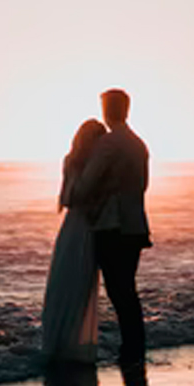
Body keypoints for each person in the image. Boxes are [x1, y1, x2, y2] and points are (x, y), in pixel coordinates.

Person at [73, 88, 151, 366]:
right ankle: (134, 347)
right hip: (136, 225)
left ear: (108, 110)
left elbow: (88, 182)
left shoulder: (109, 144)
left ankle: (131, 350)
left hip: (113, 226)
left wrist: (74, 194)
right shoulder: (138, 143)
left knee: (119, 291)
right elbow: (143, 185)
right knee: (127, 289)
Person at [41, 118, 106, 362]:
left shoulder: (75, 161)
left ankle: (62, 342)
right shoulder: (85, 164)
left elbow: (66, 199)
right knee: (75, 283)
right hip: (84, 227)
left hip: (73, 226)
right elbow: (70, 197)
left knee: (68, 282)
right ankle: (68, 344)